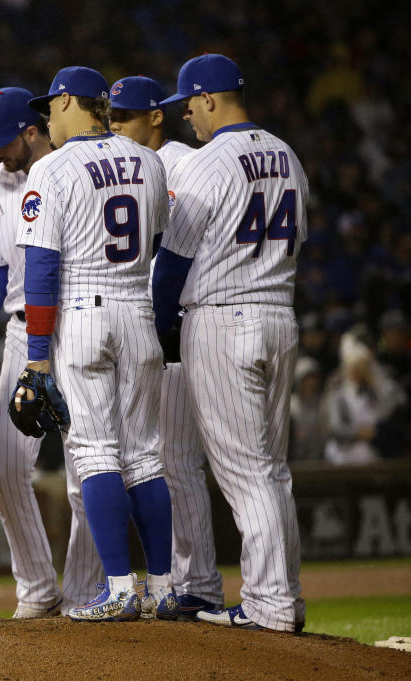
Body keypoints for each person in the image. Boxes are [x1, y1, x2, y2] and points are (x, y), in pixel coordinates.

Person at [152, 54, 309, 632]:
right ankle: (281, 595)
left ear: (210, 98)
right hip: (279, 315)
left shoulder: (209, 162)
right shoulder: (288, 155)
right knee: (271, 470)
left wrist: (156, 326)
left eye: (189, 103)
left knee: (246, 474)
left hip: (222, 318)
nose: (186, 114)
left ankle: (269, 601)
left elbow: (172, 265)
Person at [14, 66, 177, 622]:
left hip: (83, 309)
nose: (45, 119)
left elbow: (40, 270)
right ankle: (163, 585)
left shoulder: (51, 168)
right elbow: (154, 239)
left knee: (95, 454)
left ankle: (119, 588)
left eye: (49, 108)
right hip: (138, 303)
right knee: (146, 456)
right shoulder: (149, 160)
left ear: (65, 104)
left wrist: (36, 357)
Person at [0, 86, 103, 617]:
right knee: (2, 467)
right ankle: (37, 588)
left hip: (77, 325)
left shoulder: (72, 171)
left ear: (32, 131)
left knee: (85, 471)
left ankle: (85, 588)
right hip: (24, 332)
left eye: (3, 141)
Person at [110, 75, 222, 618]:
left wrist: (166, 319)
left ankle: (196, 582)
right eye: (111, 118)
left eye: (126, 118)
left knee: (175, 461)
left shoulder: (179, 161)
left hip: (176, 322)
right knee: (157, 459)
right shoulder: (123, 165)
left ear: (155, 116)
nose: (117, 128)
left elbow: (182, 252)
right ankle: (185, 582)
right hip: (144, 324)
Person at [321, 333, 407, 465]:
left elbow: (389, 409)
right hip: (342, 452)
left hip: (368, 452)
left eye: (362, 368)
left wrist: (375, 382)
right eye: (354, 368)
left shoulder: (372, 393)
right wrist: (358, 433)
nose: (358, 373)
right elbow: (334, 427)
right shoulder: (338, 395)